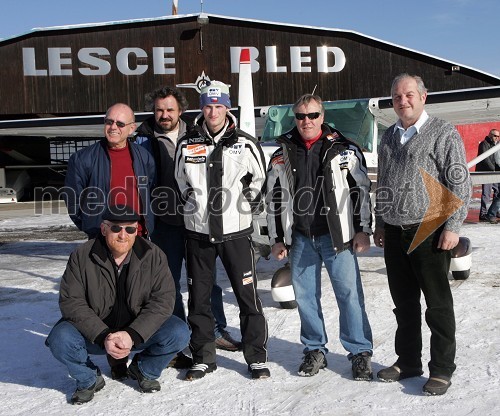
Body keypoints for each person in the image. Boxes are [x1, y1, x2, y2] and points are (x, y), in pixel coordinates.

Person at [373, 73, 471, 396]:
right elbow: (383, 185)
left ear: (423, 97)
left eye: (409, 95)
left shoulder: (443, 133)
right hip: (395, 231)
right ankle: (409, 360)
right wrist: (379, 222)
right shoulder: (387, 137)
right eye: (398, 97)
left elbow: (459, 181)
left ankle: (441, 369)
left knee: (437, 304)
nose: (403, 101)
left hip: (430, 231)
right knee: (404, 304)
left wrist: (453, 227)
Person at [266, 93, 374, 380]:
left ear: (322, 117)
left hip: (337, 237)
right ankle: (315, 349)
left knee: (349, 296)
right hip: (301, 238)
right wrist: (278, 238)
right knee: (306, 298)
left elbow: (361, 190)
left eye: (312, 115)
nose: (307, 121)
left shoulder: (345, 149)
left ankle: (360, 353)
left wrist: (363, 230)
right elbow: (273, 197)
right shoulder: (281, 151)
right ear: (295, 118)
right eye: (301, 116)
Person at [134, 87, 242, 363]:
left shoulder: (196, 134)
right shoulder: (142, 140)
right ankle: (178, 336)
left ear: (180, 111)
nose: (164, 115)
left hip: (198, 221)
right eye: (159, 110)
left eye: (170, 109)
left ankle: (215, 329)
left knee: (205, 280)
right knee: (167, 282)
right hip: (163, 224)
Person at [45, 205, 191, 404]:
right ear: (104, 229)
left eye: (130, 229)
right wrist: (103, 335)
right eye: (116, 228)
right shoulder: (82, 256)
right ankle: (88, 379)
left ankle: (144, 370)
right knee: (60, 338)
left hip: (137, 330)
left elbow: (163, 300)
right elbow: (71, 302)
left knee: (179, 332)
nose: (123, 235)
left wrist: (133, 334)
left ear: (136, 230)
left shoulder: (154, 255)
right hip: (96, 332)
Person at [174, 81, 270, 380]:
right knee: (199, 298)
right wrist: (194, 204)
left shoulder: (244, 142)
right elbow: (180, 182)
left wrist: (242, 207)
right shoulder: (187, 143)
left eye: (218, 106)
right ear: (201, 108)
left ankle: (255, 356)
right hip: (198, 234)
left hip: (235, 234)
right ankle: (203, 356)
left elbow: (260, 181)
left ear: (227, 107)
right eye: (207, 105)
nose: (213, 111)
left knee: (247, 297)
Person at [62, 103, 156, 379]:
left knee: (136, 296)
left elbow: (151, 191)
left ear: (132, 129)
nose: (112, 127)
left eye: (119, 123)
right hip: (104, 237)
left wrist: (146, 225)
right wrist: (92, 227)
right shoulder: (85, 158)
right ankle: (115, 358)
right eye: (108, 121)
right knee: (106, 301)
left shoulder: (143, 157)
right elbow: (72, 197)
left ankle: (143, 349)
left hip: (136, 237)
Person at [476, 129, 500, 222]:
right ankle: (483, 213)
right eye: (495, 136)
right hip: (486, 173)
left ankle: (496, 210)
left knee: (497, 192)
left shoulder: (496, 145)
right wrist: (493, 169)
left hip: (494, 173)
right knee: (486, 194)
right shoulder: (484, 144)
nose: (496, 138)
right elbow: (485, 159)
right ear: (490, 135)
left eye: (498, 136)